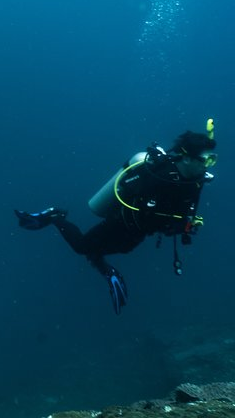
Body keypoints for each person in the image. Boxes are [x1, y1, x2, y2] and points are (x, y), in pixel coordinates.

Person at [15, 123, 217, 315]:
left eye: (212, 160)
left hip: (139, 232)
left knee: (121, 249)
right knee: (81, 246)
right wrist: (152, 206)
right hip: (120, 223)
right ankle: (55, 216)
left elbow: (182, 211)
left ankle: (98, 260)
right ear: (188, 158)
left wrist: (184, 224)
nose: (208, 166)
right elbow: (129, 188)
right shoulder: (158, 175)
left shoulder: (195, 181)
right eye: (206, 160)